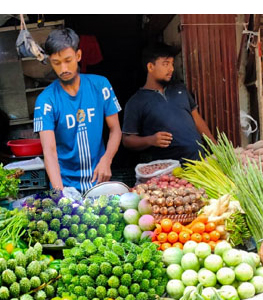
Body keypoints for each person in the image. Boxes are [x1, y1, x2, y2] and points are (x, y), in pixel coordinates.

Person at [33, 28, 122, 193]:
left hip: (100, 180)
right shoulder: (46, 101)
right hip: (65, 183)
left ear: (78, 56)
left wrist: (107, 160)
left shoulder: (100, 86)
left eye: (68, 60)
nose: (63, 69)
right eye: (56, 63)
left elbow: (115, 130)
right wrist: (60, 194)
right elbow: (50, 152)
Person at [121, 43, 214, 163]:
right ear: (150, 67)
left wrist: (215, 146)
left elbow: (197, 119)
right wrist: (151, 140)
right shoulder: (136, 102)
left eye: (172, 64)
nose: (171, 69)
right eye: (166, 64)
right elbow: (127, 140)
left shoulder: (180, 89)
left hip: (200, 162)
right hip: (170, 172)